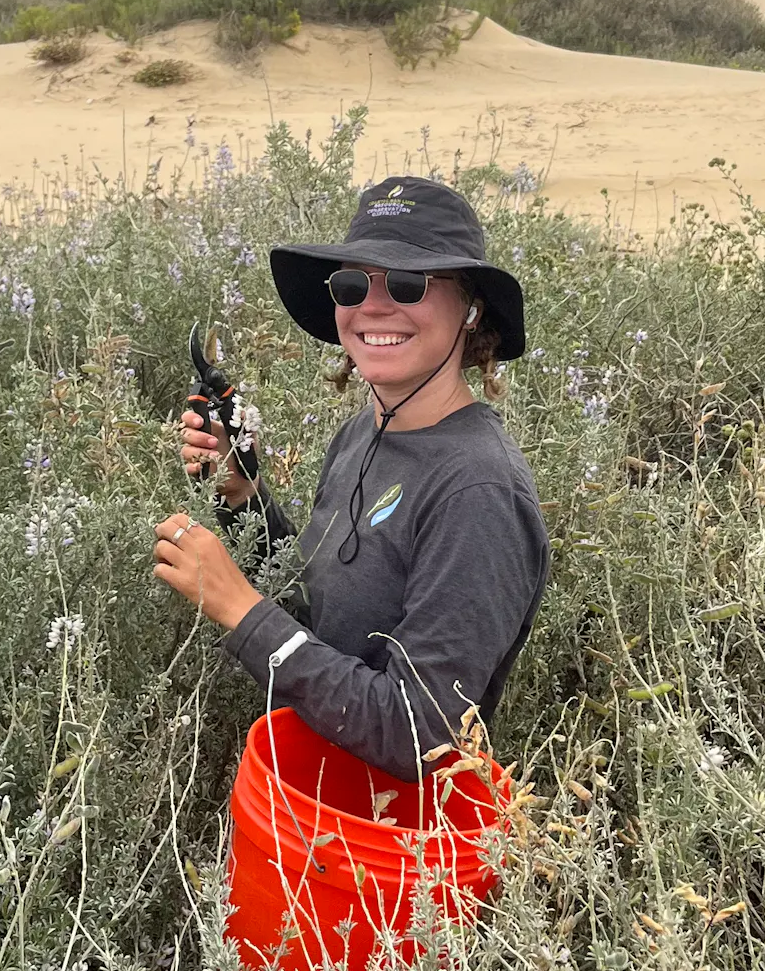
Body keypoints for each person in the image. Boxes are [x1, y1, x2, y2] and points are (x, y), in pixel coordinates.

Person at [152, 176, 549, 781]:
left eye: (411, 283)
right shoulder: (367, 430)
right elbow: (319, 613)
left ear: (471, 312)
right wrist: (242, 494)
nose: (373, 305)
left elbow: (420, 733)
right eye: (352, 283)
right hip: (309, 802)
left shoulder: (478, 494)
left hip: (392, 851)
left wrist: (240, 608)